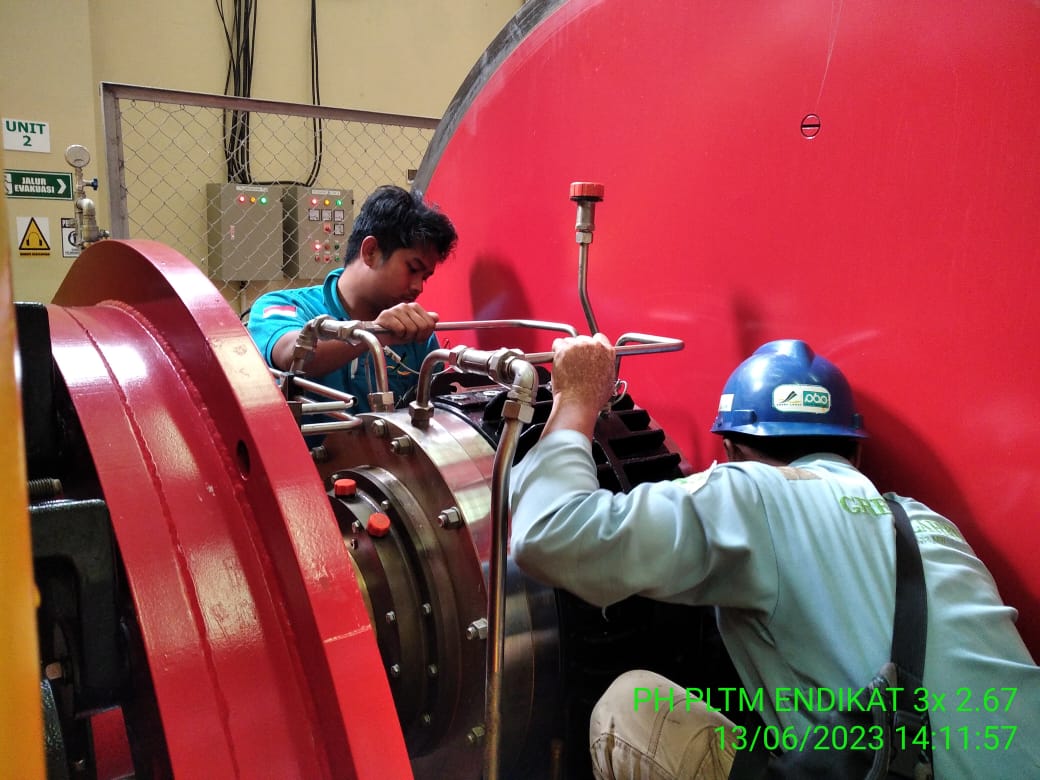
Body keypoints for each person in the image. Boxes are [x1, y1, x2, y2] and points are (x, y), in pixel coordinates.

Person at [509, 336, 1040, 779]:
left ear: (731, 452)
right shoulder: (930, 524)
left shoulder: (750, 493)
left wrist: (576, 399)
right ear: (854, 452)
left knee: (627, 710)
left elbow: (549, 535)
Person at [247, 184, 457, 411]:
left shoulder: (415, 334)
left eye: (425, 277)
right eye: (412, 269)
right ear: (370, 251)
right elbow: (292, 355)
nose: (418, 287)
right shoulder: (286, 306)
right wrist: (376, 333)